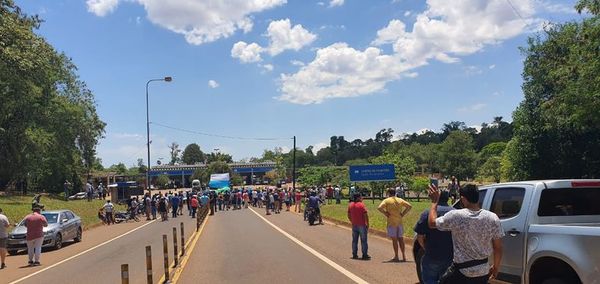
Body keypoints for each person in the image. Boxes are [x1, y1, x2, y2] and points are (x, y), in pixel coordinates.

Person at [428, 184, 504, 283]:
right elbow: (498, 247)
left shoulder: (456, 216)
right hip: (483, 272)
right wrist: (496, 267)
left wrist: (434, 202)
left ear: (463, 199)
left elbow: (432, 223)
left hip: (461, 272)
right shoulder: (492, 218)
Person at [414, 191, 454, 284]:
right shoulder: (456, 213)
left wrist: (425, 248)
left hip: (432, 255)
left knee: (430, 280)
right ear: (448, 198)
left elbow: (420, 236)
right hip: (451, 256)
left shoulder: (427, 213)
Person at [378, 188, 412, 262]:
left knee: (394, 240)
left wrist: (386, 213)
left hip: (391, 222)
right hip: (399, 222)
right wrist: (403, 214)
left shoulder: (386, 200)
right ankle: (403, 256)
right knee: (401, 239)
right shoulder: (400, 200)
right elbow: (409, 206)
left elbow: (379, 208)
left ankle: (396, 256)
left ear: (388, 193)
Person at [347, 193, 370, 260]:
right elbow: (365, 215)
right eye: (360, 197)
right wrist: (367, 224)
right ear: (358, 198)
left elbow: (348, 215)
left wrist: (352, 221)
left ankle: (354, 254)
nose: (361, 198)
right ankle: (364, 254)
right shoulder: (361, 205)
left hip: (354, 225)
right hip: (362, 225)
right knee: (363, 241)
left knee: (354, 240)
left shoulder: (350, 205)